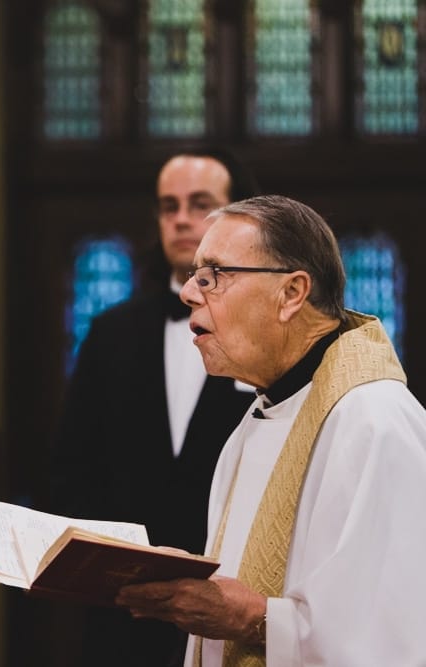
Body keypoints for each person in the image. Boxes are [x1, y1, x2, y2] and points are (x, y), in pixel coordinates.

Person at [116, 195, 426, 666]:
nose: (189, 292)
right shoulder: (260, 416)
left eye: (214, 274)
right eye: (195, 274)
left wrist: (251, 619)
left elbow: (394, 636)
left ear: (292, 294)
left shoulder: (373, 420)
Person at [48, 149, 259, 665]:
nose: (183, 218)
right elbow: (74, 467)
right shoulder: (111, 332)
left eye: (201, 204)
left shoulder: (265, 333)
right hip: (122, 612)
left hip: (231, 599)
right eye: (169, 206)